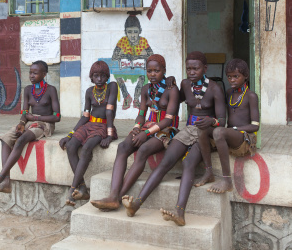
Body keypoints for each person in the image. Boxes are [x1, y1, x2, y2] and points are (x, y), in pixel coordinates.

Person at [90, 54, 179, 211]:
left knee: (143, 149)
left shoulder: (172, 89)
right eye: (149, 71)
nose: (152, 74)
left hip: (167, 129)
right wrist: (137, 127)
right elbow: (141, 113)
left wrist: (146, 133)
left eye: (156, 71)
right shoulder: (145, 89)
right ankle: (113, 195)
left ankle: (115, 198)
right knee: (123, 147)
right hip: (148, 126)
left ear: (164, 70)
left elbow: (168, 120)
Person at [146, 51, 225, 226]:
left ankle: (180, 212)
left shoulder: (214, 89)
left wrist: (211, 120)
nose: (191, 72)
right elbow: (176, 98)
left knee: (188, 163)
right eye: (188, 68)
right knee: (167, 161)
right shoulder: (185, 84)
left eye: (195, 68)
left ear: (205, 68)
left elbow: (222, 120)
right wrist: (170, 82)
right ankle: (137, 202)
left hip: (206, 132)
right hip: (188, 130)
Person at [0, 60, 60, 194]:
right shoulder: (28, 90)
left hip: (44, 124)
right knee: (5, 139)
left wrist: (35, 118)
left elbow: (57, 117)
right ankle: (6, 182)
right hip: (29, 122)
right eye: (30, 73)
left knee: (21, 140)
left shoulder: (51, 90)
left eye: (35, 73)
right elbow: (24, 112)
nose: (31, 76)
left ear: (44, 74)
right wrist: (22, 124)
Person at [195, 58, 259, 194]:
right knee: (202, 130)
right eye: (229, 77)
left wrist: (233, 129)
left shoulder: (251, 96)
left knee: (219, 132)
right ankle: (208, 172)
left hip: (245, 138)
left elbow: (255, 126)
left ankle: (227, 180)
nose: (232, 80)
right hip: (229, 135)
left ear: (245, 76)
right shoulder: (229, 93)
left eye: (236, 76)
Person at [59, 61, 118, 206]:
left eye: (102, 76)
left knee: (86, 148)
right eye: (96, 76)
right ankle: (83, 187)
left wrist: (109, 135)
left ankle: (73, 188)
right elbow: (85, 116)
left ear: (107, 76)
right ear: (91, 78)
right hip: (89, 124)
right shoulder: (89, 91)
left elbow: (109, 112)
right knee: (71, 146)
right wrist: (70, 134)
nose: (99, 79)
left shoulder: (112, 86)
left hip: (103, 126)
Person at [112, 14, 154, 109]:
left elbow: (152, 57)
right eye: (129, 32)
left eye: (135, 32)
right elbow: (114, 57)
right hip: (126, 70)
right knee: (117, 75)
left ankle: (136, 99)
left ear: (140, 31)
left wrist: (142, 56)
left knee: (143, 77)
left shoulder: (143, 41)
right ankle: (126, 96)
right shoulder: (122, 42)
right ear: (125, 32)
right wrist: (123, 55)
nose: (133, 35)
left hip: (139, 70)